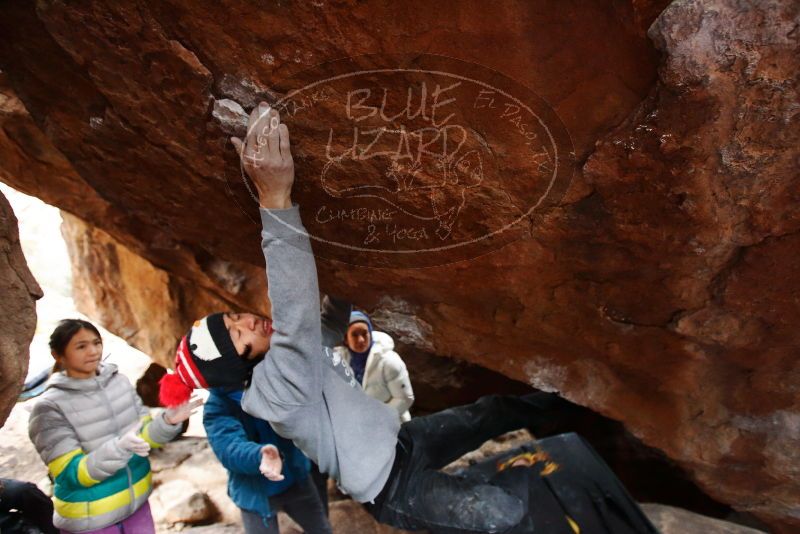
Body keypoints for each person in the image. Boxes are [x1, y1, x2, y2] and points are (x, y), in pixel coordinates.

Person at [159, 104, 585, 533]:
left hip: (401, 444)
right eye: (239, 339)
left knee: (493, 412)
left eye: (234, 317)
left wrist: (355, 283)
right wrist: (275, 199)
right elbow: (298, 317)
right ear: (243, 364)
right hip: (393, 488)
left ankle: (579, 409)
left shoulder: (284, 364)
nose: (249, 324)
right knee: (503, 514)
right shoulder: (277, 393)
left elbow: (322, 331)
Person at [28, 319, 200, 533]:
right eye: (81, 346)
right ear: (58, 354)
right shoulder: (49, 408)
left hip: (137, 507)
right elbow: (71, 474)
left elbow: (144, 437)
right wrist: (119, 448)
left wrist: (167, 421)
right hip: (91, 521)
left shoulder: (119, 382)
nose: (93, 351)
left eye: (96, 343)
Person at [203, 385, 332, 533]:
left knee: (321, 529)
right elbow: (228, 448)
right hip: (254, 493)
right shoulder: (218, 404)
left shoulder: (272, 381)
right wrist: (258, 455)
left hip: (295, 477)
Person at [335, 311, 415, 422]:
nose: (361, 340)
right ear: (346, 339)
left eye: (364, 333)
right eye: (354, 335)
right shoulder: (338, 361)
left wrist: (377, 419)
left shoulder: (388, 361)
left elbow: (405, 398)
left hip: (391, 426)